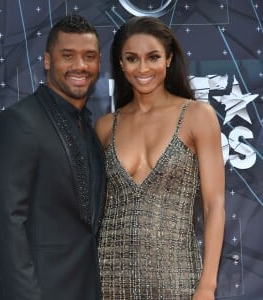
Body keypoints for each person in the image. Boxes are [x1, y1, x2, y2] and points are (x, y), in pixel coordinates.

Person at [95, 16, 225, 300]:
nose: (143, 68)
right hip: (110, 277)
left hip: (177, 278)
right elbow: (98, 209)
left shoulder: (197, 116)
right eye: (132, 58)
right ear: (120, 63)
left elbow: (214, 204)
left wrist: (208, 285)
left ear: (168, 59)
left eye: (152, 57)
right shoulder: (106, 126)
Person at [0, 14, 106, 300]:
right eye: (68, 55)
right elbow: (6, 228)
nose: (80, 66)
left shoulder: (88, 129)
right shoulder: (17, 123)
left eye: (89, 56)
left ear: (99, 63)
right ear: (48, 61)